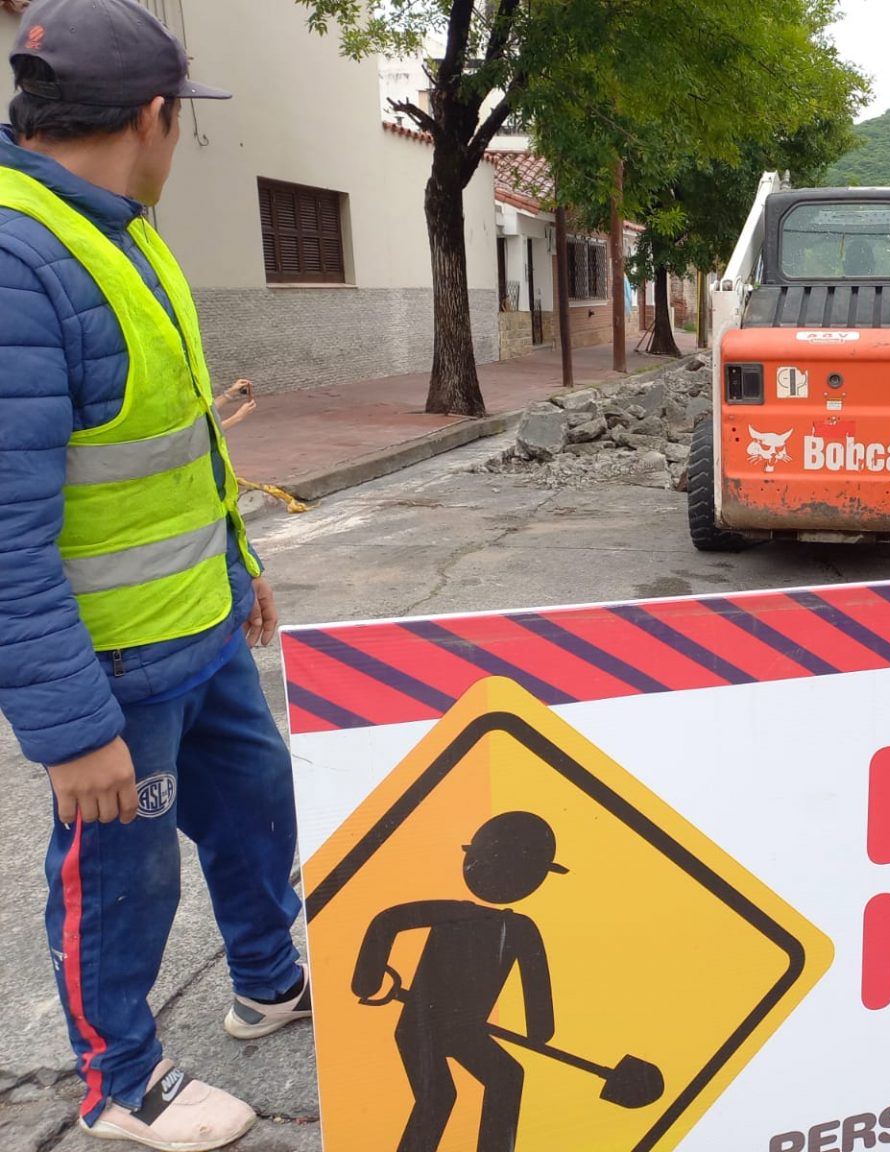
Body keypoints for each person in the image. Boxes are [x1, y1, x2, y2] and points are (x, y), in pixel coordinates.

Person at [0, 2, 308, 1148]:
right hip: (115, 666)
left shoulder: (122, 230)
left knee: (257, 810)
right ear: (153, 114)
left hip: (202, 627)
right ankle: (120, 1082)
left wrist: (238, 562)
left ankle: (268, 980)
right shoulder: (20, 261)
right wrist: (73, 730)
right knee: (121, 881)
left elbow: (177, 442)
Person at [353, 812, 563, 1152]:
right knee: (438, 1095)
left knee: (507, 1076)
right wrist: (368, 980)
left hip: (467, 1030)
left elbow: (535, 983)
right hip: (421, 1025)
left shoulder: (521, 929)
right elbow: (387, 922)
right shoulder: (453, 911)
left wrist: (539, 1031)